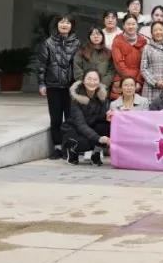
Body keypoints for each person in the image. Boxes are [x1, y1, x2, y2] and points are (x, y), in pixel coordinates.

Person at [37, 15, 80, 159]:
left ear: (72, 26)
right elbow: (42, 65)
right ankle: (57, 147)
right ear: (57, 25)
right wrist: (42, 83)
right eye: (62, 22)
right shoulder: (48, 43)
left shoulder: (77, 43)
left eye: (68, 22)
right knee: (55, 119)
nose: (64, 25)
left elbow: (79, 65)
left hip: (71, 87)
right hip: (53, 86)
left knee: (70, 119)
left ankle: (69, 147)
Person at [63, 69, 110, 166]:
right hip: (74, 129)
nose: (92, 82)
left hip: (90, 126)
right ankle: (72, 150)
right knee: (87, 142)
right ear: (83, 81)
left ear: (99, 82)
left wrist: (109, 115)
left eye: (95, 79)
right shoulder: (75, 98)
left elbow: (101, 117)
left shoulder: (102, 96)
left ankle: (96, 154)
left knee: (107, 126)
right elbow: (81, 125)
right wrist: (98, 138)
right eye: (89, 79)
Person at [111, 14, 147, 101]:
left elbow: (144, 64)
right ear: (123, 26)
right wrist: (130, 82)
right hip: (121, 81)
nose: (131, 26)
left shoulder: (143, 41)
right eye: (128, 24)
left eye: (133, 24)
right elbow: (119, 64)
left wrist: (138, 81)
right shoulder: (117, 41)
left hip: (138, 83)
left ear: (137, 25)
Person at [140, 21, 163, 102]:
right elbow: (143, 69)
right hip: (151, 87)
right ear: (151, 33)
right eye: (155, 30)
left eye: (160, 30)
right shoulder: (147, 48)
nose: (158, 32)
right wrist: (155, 82)